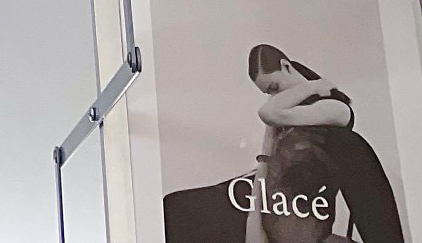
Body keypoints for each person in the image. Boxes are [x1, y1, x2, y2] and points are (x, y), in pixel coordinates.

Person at [163, 44, 404, 243]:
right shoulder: (281, 118)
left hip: (293, 208)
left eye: (274, 88)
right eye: (268, 93)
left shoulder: (335, 109)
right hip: (261, 196)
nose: (273, 97)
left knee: (178, 212)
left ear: (286, 66)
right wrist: (254, 221)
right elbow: (265, 162)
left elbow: (268, 112)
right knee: (174, 207)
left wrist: (313, 86)